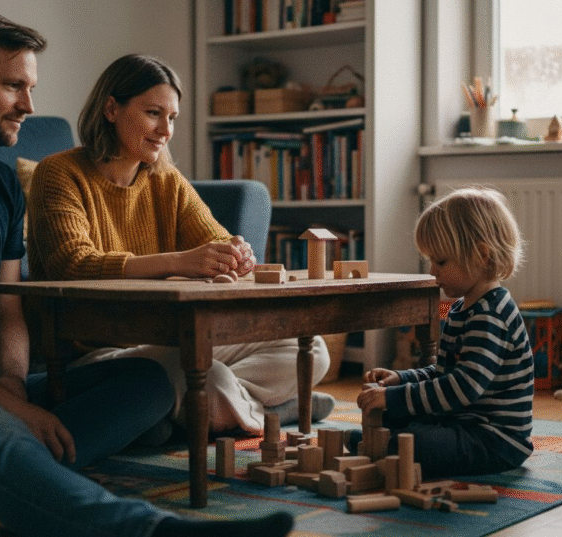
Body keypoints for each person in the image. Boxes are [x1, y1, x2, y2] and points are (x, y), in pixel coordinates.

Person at [0, 12, 293, 537]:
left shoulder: (1, 186)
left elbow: (7, 307)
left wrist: (11, 385)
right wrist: (1, 404)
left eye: (30, 88)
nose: (29, 106)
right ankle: (152, 531)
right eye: (13, 86)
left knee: (154, 378)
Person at [27, 53, 334, 439]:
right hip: (90, 351)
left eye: (171, 118)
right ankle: (272, 411)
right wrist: (182, 261)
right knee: (199, 373)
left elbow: (215, 238)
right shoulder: (58, 173)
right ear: (111, 109)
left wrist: (235, 252)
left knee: (310, 347)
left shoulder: (164, 180)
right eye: (154, 113)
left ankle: (198, 411)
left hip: (164, 337)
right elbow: (72, 263)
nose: (166, 130)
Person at [354, 187, 534, 477]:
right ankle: (383, 441)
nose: (432, 271)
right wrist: (401, 378)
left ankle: (386, 443)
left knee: (417, 441)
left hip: (495, 440)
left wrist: (396, 398)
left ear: (481, 255)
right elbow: (443, 373)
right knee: (395, 422)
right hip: (461, 423)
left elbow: (462, 387)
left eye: (441, 262)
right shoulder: (461, 308)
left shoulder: (491, 315)